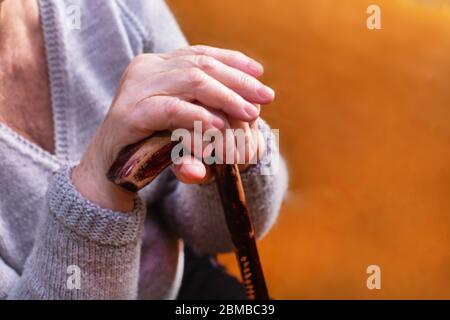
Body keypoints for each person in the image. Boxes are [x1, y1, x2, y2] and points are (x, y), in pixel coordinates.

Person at [0, 0, 288, 299]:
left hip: (178, 280)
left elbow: (216, 235)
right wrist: (101, 183)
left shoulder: (118, 9)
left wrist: (235, 162)